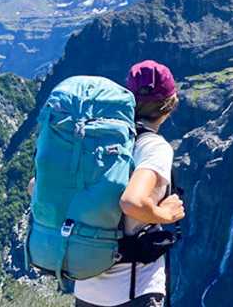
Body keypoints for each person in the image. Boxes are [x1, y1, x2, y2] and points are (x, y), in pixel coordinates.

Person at [73, 60, 185, 307]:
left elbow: (35, 187)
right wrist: (165, 214)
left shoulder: (99, 140)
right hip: (133, 291)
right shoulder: (153, 146)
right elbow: (132, 202)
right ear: (170, 104)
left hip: (86, 286)